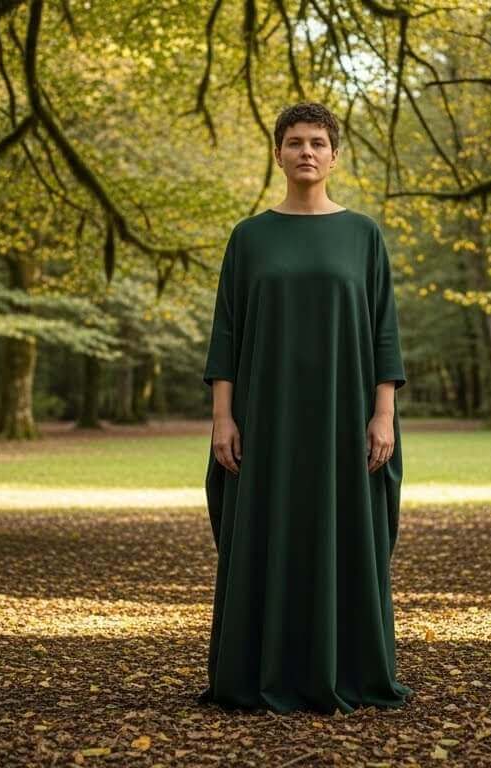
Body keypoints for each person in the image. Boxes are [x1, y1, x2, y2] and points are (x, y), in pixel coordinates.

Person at [198, 101, 413, 714]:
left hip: (345, 422)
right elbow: (227, 334)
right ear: (278, 153)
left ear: (335, 155)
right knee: (264, 533)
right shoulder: (249, 237)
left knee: (343, 534)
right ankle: (258, 672)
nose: (307, 152)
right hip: (265, 422)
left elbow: (384, 333)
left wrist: (382, 415)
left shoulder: (364, 235)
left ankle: (348, 670)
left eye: (318, 142)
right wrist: (223, 417)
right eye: (295, 142)